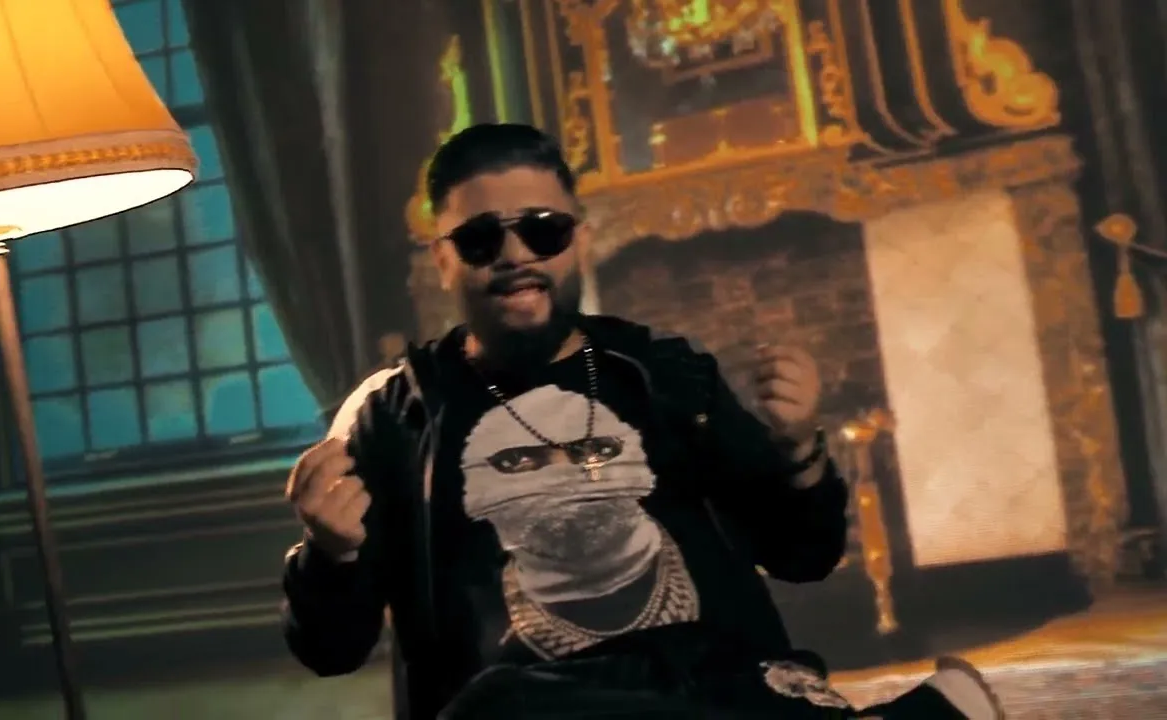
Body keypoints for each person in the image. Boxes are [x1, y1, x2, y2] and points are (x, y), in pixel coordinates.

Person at [281, 124, 1005, 719]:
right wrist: (330, 554)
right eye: (479, 240)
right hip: (528, 711)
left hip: (714, 685)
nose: (516, 256)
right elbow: (329, 651)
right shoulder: (396, 418)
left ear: (580, 240)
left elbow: (803, 557)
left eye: (543, 230)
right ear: (442, 260)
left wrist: (798, 447)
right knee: (498, 705)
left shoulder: (664, 373)